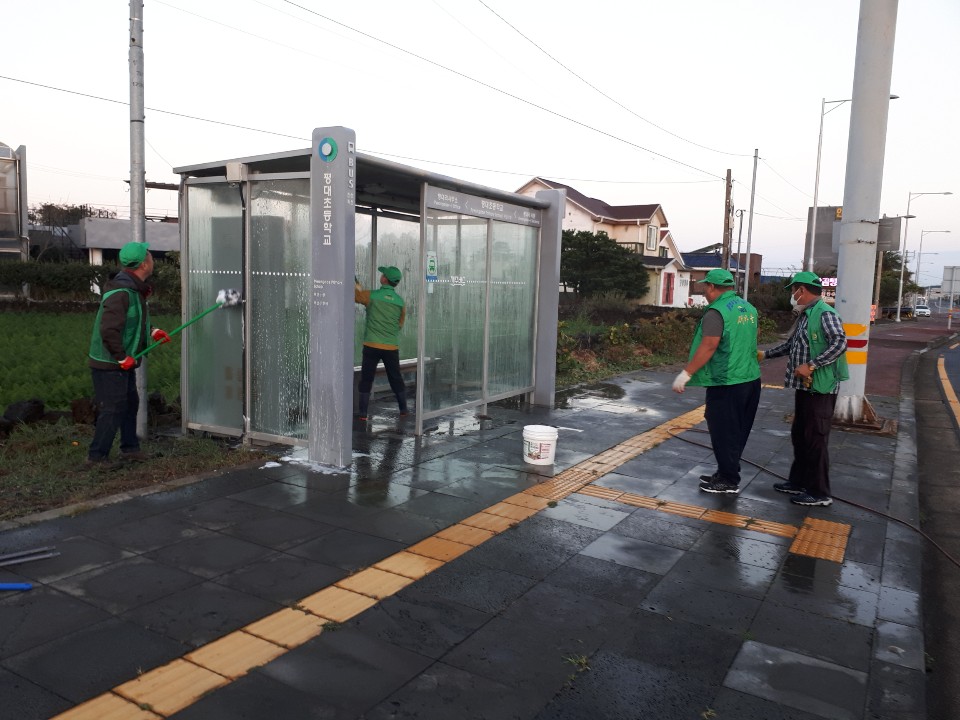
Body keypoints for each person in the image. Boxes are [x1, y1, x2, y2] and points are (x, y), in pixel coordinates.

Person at [760, 271, 848, 506]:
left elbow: (840, 342)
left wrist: (811, 365)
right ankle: (798, 481)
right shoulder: (807, 315)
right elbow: (792, 345)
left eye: (793, 290)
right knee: (800, 435)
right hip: (805, 387)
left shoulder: (825, 314)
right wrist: (765, 354)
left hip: (820, 388)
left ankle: (819, 493)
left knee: (815, 439)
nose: (792, 294)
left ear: (802, 290)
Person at [672, 268, 761, 494]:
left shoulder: (717, 312)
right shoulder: (748, 308)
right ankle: (725, 471)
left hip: (727, 381)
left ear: (712, 287)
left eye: (705, 287)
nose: (704, 292)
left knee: (723, 430)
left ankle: (729, 480)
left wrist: (687, 373)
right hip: (750, 379)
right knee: (737, 430)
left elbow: (709, 345)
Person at [87, 241, 170, 467]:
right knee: (112, 408)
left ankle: (129, 448)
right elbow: (109, 329)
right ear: (144, 264)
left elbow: (132, 321)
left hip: (121, 361)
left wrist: (153, 332)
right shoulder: (121, 292)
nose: (153, 260)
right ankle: (96, 457)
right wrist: (122, 357)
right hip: (109, 363)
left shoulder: (135, 290)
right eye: (151, 257)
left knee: (130, 403)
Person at [354, 266, 408, 421]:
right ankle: (403, 409)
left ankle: (363, 413)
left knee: (367, 378)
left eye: (383, 274)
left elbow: (357, 296)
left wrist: (356, 283)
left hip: (372, 345)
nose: (381, 275)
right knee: (395, 377)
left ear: (384, 279)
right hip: (391, 347)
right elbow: (400, 324)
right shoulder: (400, 302)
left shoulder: (372, 296)